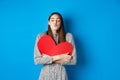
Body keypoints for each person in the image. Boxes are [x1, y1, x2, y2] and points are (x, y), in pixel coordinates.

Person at [34, 12, 77, 80]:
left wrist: (48, 58)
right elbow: (37, 60)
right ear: (49, 22)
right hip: (45, 75)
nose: (55, 22)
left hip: (61, 75)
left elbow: (73, 61)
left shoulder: (68, 37)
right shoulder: (41, 36)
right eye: (52, 20)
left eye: (58, 20)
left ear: (61, 23)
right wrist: (60, 57)